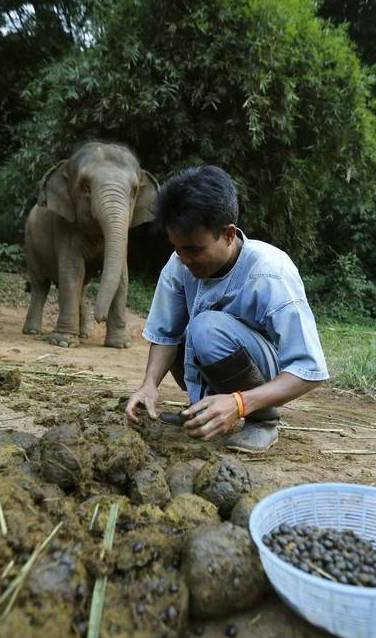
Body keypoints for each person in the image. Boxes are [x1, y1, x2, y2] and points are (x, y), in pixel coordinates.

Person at [125, 165, 329, 452]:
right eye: (178, 248)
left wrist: (240, 403)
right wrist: (149, 386)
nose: (184, 259)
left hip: (265, 374)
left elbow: (309, 370)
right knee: (189, 329)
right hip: (217, 359)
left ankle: (262, 421)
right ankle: (204, 410)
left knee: (205, 328)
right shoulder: (179, 264)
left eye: (194, 249)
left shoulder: (270, 274)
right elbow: (164, 334)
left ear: (229, 234)